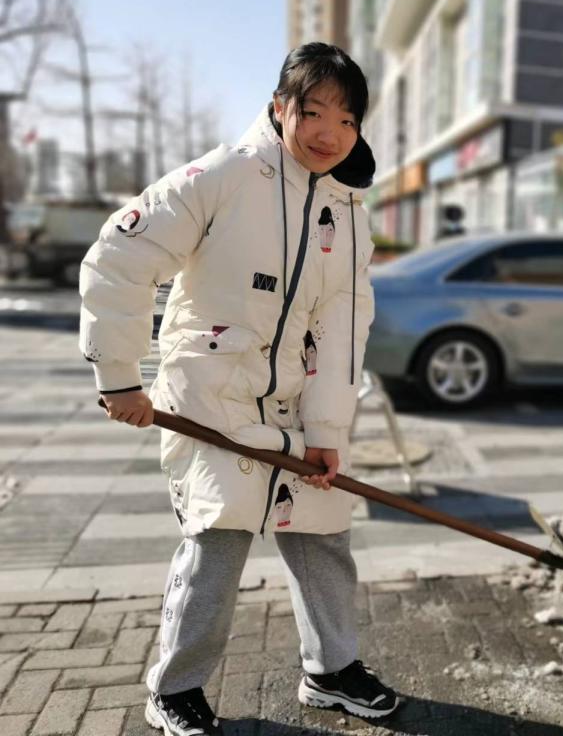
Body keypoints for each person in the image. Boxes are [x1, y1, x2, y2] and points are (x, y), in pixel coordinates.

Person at [80, 42, 399, 736]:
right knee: (218, 544)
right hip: (211, 398)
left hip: (293, 407)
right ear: (280, 107)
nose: (329, 133)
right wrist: (119, 374)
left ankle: (330, 672)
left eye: (347, 120)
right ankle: (175, 689)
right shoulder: (226, 175)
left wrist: (327, 430)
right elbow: (119, 254)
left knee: (324, 536)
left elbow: (345, 326)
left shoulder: (347, 209)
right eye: (313, 111)